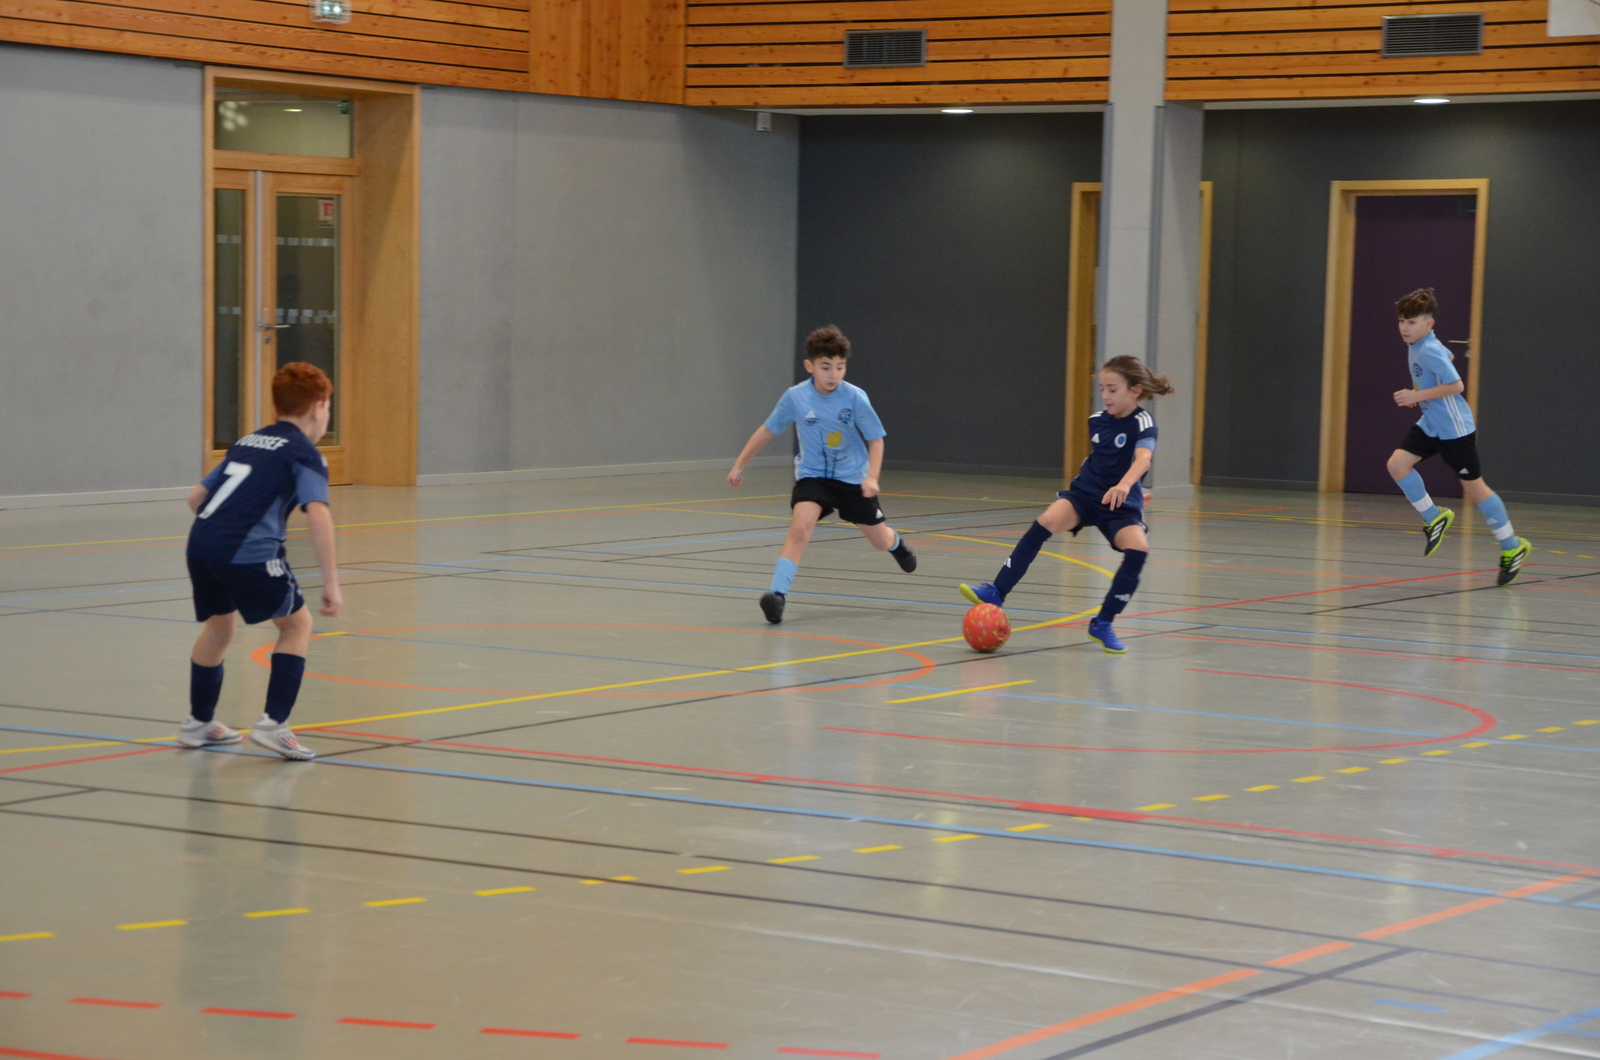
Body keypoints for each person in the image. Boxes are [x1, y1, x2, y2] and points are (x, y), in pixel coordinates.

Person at [176, 362, 342, 760]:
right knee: (297, 624)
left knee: (220, 627)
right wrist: (332, 582)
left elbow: (196, 498)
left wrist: (222, 535)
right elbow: (318, 513)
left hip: (201, 543)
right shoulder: (305, 454)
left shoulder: (248, 441)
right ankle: (273, 725)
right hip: (247, 551)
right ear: (318, 406)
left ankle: (199, 723)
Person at [959, 356, 1171, 654]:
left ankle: (1103, 623)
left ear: (1135, 390)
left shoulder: (1143, 422)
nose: (1105, 396)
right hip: (1086, 494)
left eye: (1112, 389)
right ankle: (996, 591)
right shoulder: (1096, 420)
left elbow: (1143, 458)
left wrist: (1126, 485)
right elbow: (1101, 459)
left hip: (1120, 504)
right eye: (1102, 389)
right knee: (1045, 521)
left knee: (1138, 549)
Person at [728, 325, 916, 623]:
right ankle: (777, 596)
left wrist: (872, 477)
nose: (833, 374)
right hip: (813, 477)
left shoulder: (855, 397)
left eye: (840, 367)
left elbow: (876, 439)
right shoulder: (795, 398)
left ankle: (897, 545)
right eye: (826, 367)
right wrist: (740, 464)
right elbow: (767, 430)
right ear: (810, 366)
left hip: (854, 480)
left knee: (879, 540)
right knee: (800, 529)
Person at [1385, 287, 1530, 585]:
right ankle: (1434, 517)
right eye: (1401, 321)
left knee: (1475, 491)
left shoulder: (1428, 349)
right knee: (1397, 465)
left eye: (1411, 322)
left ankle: (1512, 546)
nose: (1404, 327)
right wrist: (1421, 395)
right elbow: (1446, 356)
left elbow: (1456, 385)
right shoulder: (1421, 344)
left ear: (1429, 324)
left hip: (1454, 430)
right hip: (1431, 424)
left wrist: (1416, 395)